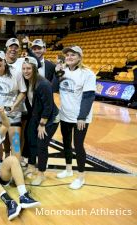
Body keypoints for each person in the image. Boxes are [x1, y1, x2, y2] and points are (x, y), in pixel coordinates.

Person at [54, 46, 96, 190]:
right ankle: (68, 169)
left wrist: (82, 117)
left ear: (79, 57)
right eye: (67, 55)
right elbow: (54, 88)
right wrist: (57, 74)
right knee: (66, 143)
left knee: (78, 146)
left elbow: (89, 97)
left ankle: (81, 177)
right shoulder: (63, 71)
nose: (69, 57)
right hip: (65, 114)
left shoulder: (87, 74)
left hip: (80, 117)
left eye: (73, 55)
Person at [21, 57, 59, 185]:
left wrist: (42, 124)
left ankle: (41, 173)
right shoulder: (28, 81)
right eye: (24, 68)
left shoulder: (43, 84)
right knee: (30, 138)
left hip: (50, 118)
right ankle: (31, 166)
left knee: (41, 144)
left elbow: (48, 106)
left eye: (29, 68)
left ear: (34, 69)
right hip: (36, 116)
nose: (26, 71)